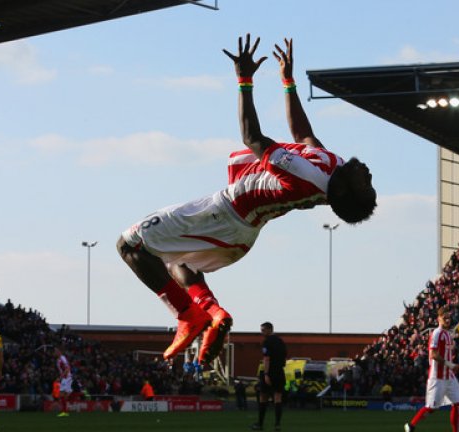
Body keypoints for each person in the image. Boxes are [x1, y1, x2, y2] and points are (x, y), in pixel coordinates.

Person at [116, 34, 377, 368]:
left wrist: (244, 79)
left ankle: (187, 315)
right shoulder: (333, 168)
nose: (368, 174)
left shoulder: (308, 176)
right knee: (177, 260)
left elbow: (252, 138)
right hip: (242, 234)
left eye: (366, 184)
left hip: (224, 214)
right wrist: (287, 81)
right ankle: (213, 314)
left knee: (130, 245)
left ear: (343, 193)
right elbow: (304, 137)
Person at [404, 306, 459, 432]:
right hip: (437, 377)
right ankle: (411, 426)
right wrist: (451, 365)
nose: (447, 320)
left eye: (448, 318)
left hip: (449, 376)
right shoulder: (436, 333)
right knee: (431, 408)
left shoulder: (447, 334)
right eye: (444, 318)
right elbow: (433, 355)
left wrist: (452, 366)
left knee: (457, 404)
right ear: (438, 319)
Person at [252, 322, 287, 431]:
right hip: (280, 371)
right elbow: (284, 357)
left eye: (263, 330)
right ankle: (277, 424)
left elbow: (267, 359)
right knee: (278, 398)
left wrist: (266, 374)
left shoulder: (267, 342)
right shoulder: (281, 341)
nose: (261, 332)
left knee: (263, 397)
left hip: (270, 371)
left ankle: (260, 424)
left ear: (269, 330)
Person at [55, 347, 72, 417]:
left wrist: (60, 377)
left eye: (56, 351)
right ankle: (65, 411)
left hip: (66, 377)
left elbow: (67, 368)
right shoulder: (58, 360)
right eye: (55, 351)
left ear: (60, 352)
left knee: (61, 394)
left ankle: (64, 411)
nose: (55, 352)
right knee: (65, 395)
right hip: (66, 377)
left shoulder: (62, 358)